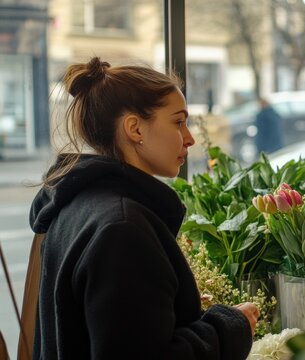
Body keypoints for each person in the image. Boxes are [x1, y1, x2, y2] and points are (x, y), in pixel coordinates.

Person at [29, 57, 258, 359]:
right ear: (135, 128)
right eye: (178, 122)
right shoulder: (123, 229)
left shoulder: (79, 204)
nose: (189, 138)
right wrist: (229, 327)